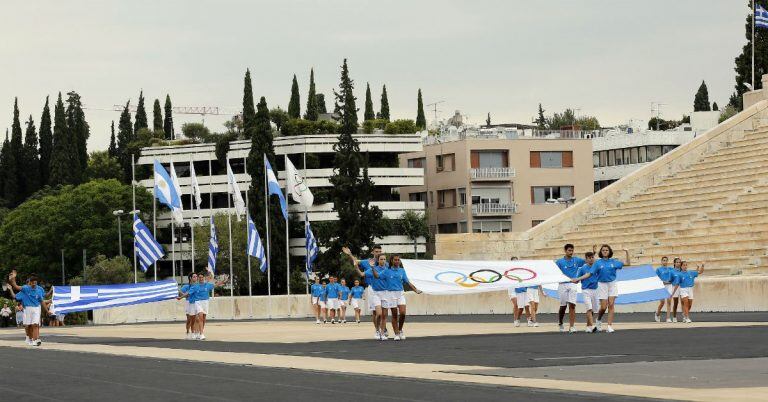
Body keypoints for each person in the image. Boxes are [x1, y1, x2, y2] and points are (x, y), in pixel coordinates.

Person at [343, 245, 387, 340]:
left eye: (380, 251)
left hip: (384, 289)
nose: (378, 253)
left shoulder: (385, 263)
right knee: (375, 312)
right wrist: (350, 254)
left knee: (384, 312)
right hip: (372, 289)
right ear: (373, 252)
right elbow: (356, 262)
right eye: (376, 251)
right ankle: (377, 330)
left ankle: (383, 328)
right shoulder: (367, 262)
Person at [594, 244, 630, 333]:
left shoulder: (614, 262)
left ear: (609, 252)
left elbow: (627, 263)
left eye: (606, 250)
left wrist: (627, 252)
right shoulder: (598, 262)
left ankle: (609, 326)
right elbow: (591, 272)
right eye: (603, 250)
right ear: (601, 252)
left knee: (611, 304)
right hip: (602, 284)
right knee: (603, 307)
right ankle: (598, 319)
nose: (605, 251)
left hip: (612, 284)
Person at [384, 254, 421, 340]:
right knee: (394, 315)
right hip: (391, 294)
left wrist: (416, 290)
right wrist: (373, 268)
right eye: (395, 260)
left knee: (403, 313)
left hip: (400, 293)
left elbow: (407, 282)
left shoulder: (402, 270)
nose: (397, 261)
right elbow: (378, 276)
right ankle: (396, 334)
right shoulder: (387, 271)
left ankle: (400, 330)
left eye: (398, 260)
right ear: (392, 261)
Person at [7, 271, 46, 346]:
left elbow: (42, 299)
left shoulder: (38, 289)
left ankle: (36, 339)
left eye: (34, 282)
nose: (31, 284)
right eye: (30, 282)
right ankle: (29, 337)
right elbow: (15, 295)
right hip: (26, 310)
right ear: (29, 283)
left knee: (35, 324)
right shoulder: (24, 290)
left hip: (36, 308)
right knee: (28, 326)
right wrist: (12, 280)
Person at [555, 244, 585, 333]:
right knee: (563, 306)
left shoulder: (577, 260)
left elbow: (587, 261)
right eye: (569, 250)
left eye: (572, 250)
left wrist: (594, 252)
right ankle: (560, 322)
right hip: (562, 285)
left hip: (573, 284)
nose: (571, 252)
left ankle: (572, 326)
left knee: (572, 305)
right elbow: (555, 272)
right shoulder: (559, 262)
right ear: (565, 250)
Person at [194, 271, 228, 340]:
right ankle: (201, 334)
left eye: (202, 277)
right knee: (200, 317)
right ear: (198, 278)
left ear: (204, 278)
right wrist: (181, 296)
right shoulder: (195, 286)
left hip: (205, 302)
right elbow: (189, 293)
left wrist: (223, 281)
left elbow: (216, 284)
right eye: (199, 277)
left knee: (203, 318)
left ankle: (200, 332)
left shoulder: (207, 285)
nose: (201, 278)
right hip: (198, 302)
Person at [571, 251, 599, 333]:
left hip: (595, 289)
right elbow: (577, 279)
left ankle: (588, 326)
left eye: (592, 257)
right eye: (589, 258)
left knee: (593, 309)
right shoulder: (583, 268)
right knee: (589, 308)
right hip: (586, 290)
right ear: (586, 259)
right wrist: (574, 280)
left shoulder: (596, 267)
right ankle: (593, 325)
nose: (591, 259)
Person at [177, 272, 199, 340]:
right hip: (188, 302)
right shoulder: (187, 286)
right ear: (190, 278)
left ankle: (196, 333)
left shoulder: (197, 285)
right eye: (194, 277)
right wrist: (185, 295)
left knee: (197, 319)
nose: (196, 278)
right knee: (189, 319)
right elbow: (179, 292)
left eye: (196, 276)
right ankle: (187, 332)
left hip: (196, 302)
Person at [654, 256, 674, 323]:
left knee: (669, 301)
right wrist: (664, 282)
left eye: (666, 260)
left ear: (667, 261)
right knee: (662, 302)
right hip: (662, 286)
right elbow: (656, 279)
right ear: (661, 261)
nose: (665, 261)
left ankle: (668, 318)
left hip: (669, 286)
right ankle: (657, 313)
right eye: (664, 260)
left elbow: (675, 274)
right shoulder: (658, 269)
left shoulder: (670, 269)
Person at [670, 258, 683, 322]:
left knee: (683, 302)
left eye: (679, 262)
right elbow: (670, 280)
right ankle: (674, 317)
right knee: (676, 303)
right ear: (674, 263)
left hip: (682, 287)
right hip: (674, 287)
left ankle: (685, 317)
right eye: (677, 262)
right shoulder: (672, 271)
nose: (678, 263)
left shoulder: (682, 270)